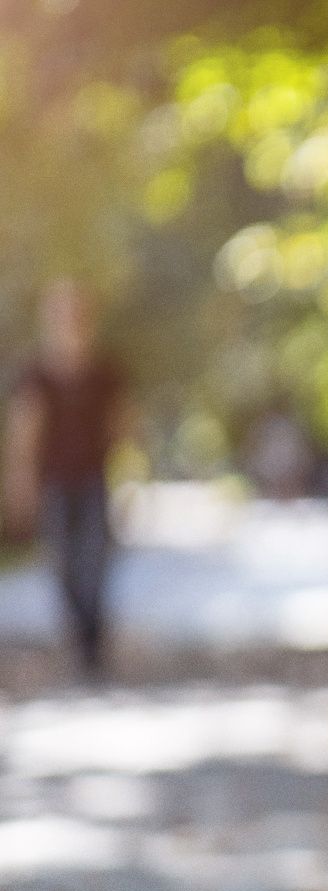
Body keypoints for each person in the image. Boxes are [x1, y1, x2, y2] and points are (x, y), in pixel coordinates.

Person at [3, 278, 135, 674]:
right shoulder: (37, 372)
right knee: (61, 563)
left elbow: (124, 426)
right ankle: (78, 639)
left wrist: (130, 477)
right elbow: (24, 431)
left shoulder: (105, 370)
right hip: (54, 483)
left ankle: (93, 642)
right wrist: (19, 481)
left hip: (95, 479)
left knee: (95, 562)